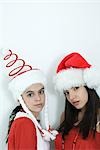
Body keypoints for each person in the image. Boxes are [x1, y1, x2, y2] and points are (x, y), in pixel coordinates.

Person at [3, 49, 57, 150]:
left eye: (41, 92)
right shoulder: (24, 123)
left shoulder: (28, 121)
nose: (38, 98)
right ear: (20, 98)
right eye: (30, 94)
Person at [54, 52, 100, 150]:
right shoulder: (65, 117)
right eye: (66, 92)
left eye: (76, 88)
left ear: (88, 87)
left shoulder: (98, 119)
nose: (71, 97)